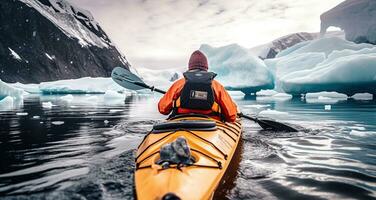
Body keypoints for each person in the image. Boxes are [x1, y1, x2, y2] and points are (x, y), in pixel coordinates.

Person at [158, 50, 238, 122]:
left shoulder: (179, 84)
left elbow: (162, 109)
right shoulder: (216, 86)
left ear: (190, 67)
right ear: (206, 67)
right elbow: (231, 116)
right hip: (211, 127)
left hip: (180, 123)